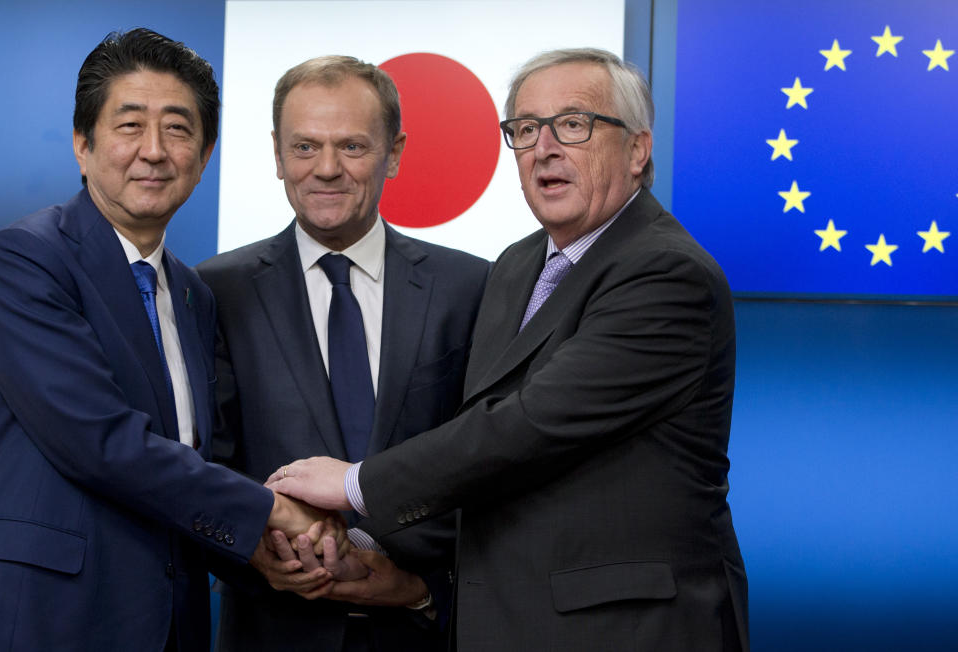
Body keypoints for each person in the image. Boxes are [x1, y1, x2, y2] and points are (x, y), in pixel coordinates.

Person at [268, 48, 750, 651]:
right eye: (525, 130)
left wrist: (358, 486)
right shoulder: (517, 265)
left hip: (626, 631)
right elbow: (479, 446)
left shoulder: (665, 273)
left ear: (637, 149)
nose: (544, 148)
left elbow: (531, 425)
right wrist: (369, 551)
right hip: (502, 622)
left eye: (573, 125)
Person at [0, 29, 339, 652]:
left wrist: (252, 551)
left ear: (204, 155)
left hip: (174, 621)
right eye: (130, 125)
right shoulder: (26, 260)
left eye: (178, 129)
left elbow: (194, 455)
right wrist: (271, 512)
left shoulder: (192, 291)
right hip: (59, 617)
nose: (153, 151)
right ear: (82, 144)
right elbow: (96, 440)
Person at [196, 56, 488, 652]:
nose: (326, 169)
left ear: (395, 153)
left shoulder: (472, 289)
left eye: (352, 146)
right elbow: (202, 465)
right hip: (272, 629)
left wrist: (415, 583)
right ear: (277, 155)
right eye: (304, 147)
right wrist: (255, 549)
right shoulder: (213, 290)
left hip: (422, 625)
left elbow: (488, 459)